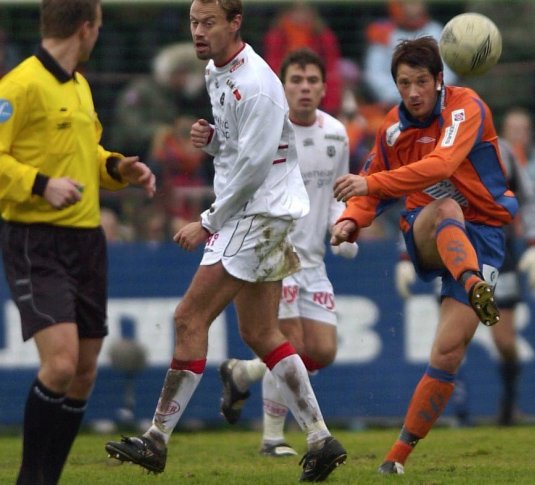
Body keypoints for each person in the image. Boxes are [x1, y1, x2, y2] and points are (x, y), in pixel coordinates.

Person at [104, 1, 346, 482]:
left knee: (188, 316)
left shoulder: (256, 83)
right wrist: (214, 140)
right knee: (261, 334)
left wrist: (208, 221)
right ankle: (321, 440)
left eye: (208, 23)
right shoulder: (219, 69)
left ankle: (156, 439)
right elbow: (245, 149)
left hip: (255, 214)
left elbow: (254, 169)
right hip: (266, 212)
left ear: (236, 23)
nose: (198, 32)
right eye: (194, 23)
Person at [330, 36, 515, 475]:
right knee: (446, 207)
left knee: (448, 352)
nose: (412, 92)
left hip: (485, 234)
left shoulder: (466, 107)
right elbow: (372, 180)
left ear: (439, 80)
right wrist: (350, 221)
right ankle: (474, 285)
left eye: (420, 82)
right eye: (403, 83)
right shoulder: (392, 129)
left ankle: (396, 458)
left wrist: (370, 188)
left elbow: (442, 164)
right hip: (429, 228)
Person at [0, 1, 157, 483]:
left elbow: (85, 152)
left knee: (85, 370)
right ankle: (31, 478)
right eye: (99, 26)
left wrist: (116, 168)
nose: (99, 35)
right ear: (86, 28)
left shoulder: (81, 85)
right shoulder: (19, 86)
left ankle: (48, 477)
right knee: (62, 362)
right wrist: (40, 183)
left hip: (86, 240)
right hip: (36, 240)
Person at [216, 48, 356, 457]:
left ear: (325, 88)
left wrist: (342, 225)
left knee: (323, 351)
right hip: (276, 251)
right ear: (283, 86)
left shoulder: (336, 134)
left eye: (312, 80)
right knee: (288, 342)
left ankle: (242, 372)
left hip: (314, 260)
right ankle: (272, 438)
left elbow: (336, 195)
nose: (305, 88)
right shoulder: (269, 129)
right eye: (296, 80)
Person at [394, 137, 535, 427]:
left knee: (504, 340)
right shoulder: (434, 151)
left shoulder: (503, 151)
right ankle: (460, 413)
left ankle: (509, 404)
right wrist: (405, 255)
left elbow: (528, 199)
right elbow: (417, 207)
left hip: (496, 252)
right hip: (451, 251)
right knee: (451, 342)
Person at [362, 0, 458, 108]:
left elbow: (448, 70)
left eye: (416, 3)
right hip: (393, 104)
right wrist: (402, 96)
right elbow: (374, 73)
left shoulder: (437, 30)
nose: (412, 8)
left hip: (435, 102)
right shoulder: (382, 32)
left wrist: (431, 94)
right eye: (407, 3)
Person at [261, 1, 343, 116]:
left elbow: (332, 69)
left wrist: (331, 107)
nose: (301, 15)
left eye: (305, 10)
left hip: (320, 99)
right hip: (284, 95)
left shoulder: (324, 36)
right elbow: (272, 69)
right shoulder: (277, 36)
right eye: (296, 10)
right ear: (286, 13)